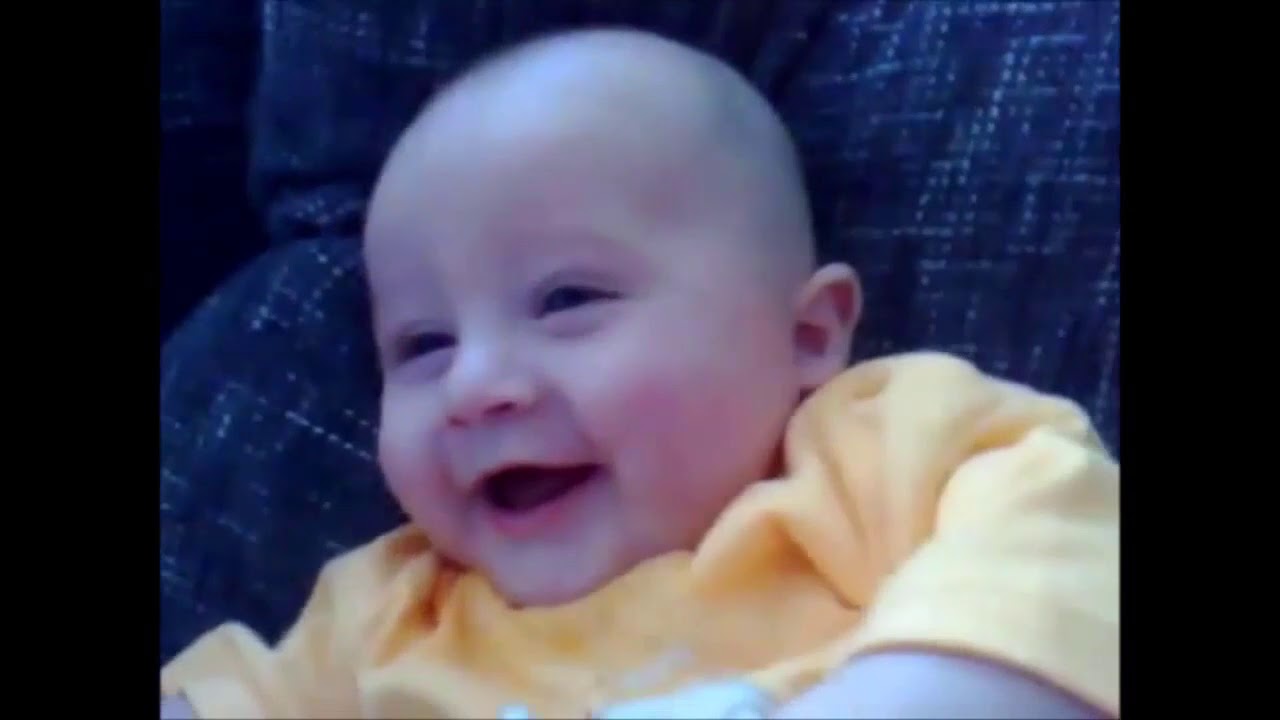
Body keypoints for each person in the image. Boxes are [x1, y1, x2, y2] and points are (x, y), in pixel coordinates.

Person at [159, 29, 1117, 719]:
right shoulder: (387, 611)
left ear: (807, 335)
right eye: (421, 346)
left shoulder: (878, 457)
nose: (474, 385)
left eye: (567, 299)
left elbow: (1063, 551)